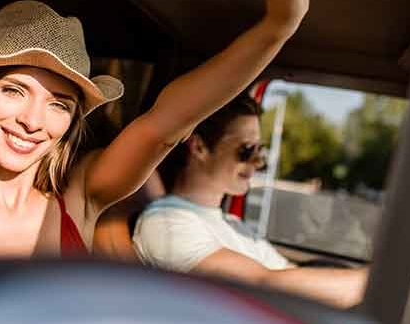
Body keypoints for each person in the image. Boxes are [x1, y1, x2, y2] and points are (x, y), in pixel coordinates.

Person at [0, 0, 308, 281]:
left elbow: (165, 126)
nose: (33, 120)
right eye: (14, 90)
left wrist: (276, 29)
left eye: (58, 104)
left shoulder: (81, 199)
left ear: (71, 123)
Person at [133, 96, 368, 309]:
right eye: (246, 150)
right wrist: (375, 281)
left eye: (260, 151)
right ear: (199, 147)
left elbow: (289, 274)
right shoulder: (166, 225)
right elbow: (265, 285)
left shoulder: (234, 224)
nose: (257, 162)